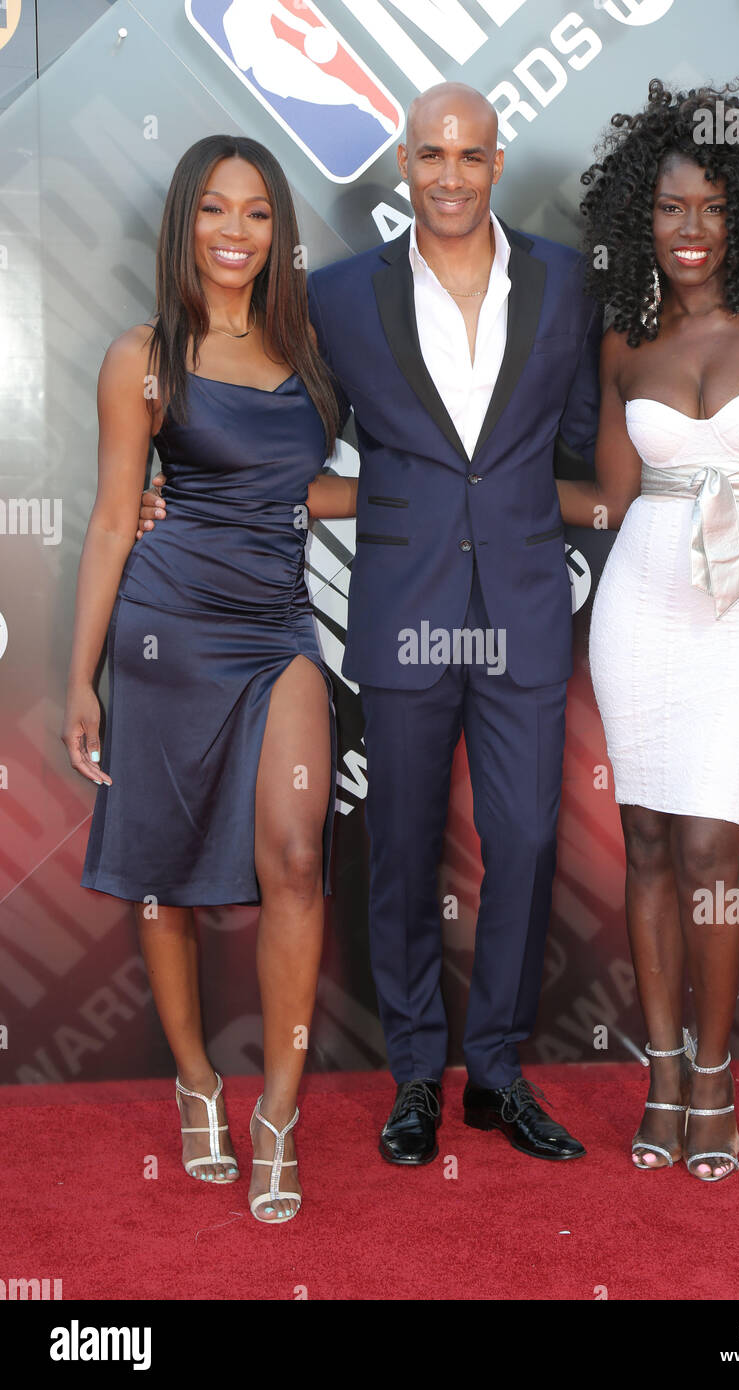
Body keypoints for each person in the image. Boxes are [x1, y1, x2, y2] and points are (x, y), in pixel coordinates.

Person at [139, 83, 600, 1166]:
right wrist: (177, 494)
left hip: (526, 605)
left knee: (524, 840)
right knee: (396, 844)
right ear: (403, 161)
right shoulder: (338, 298)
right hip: (401, 604)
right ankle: (411, 1072)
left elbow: (584, 433)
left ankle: (491, 1066)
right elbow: (268, 428)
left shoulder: (566, 281)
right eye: (430, 153)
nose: (449, 173)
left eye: (469, 155)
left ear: (496, 162)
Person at [556, 79, 739, 1181]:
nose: (687, 232)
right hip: (641, 603)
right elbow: (613, 504)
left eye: (709, 209)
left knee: (707, 846)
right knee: (640, 841)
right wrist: (471, 489)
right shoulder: (625, 337)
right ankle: (662, 1071)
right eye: (669, 209)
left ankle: (717, 1075)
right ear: (643, 214)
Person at [63, 134, 349, 1224]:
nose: (236, 233)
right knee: (164, 870)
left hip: (277, 629)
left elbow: (297, 486)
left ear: (279, 231)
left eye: (259, 214)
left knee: (292, 850)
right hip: (165, 631)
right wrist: (83, 676)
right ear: (184, 222)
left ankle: (276, 1110)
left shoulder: (309, 346)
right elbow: (107, 517)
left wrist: (389, 499)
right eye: (215, 212)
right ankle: (197, 1081)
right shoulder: (142, 354)